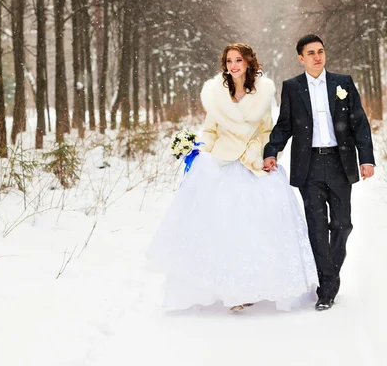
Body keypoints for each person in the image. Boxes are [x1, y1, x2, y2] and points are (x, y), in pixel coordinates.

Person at [147, 43, 318, 312]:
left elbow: (267, 131)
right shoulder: (217, 95)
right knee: (223, 229)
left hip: (252, 163)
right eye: (229, 61)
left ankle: (253, 286)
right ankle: (230, 290)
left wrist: (255, 152)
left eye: (238, 60)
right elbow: (210, 131)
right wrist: (205, 151)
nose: (233, 65)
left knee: (255, 229)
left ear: (248, 63)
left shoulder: (262, 94)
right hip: (222, 164)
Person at [263, 34, 375, 311]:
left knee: (342, 224)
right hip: (309, 166)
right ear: (301, 58)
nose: (317, 57)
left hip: (340, 163)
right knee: (316, 227)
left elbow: (358, 123)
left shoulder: (343, 83)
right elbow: (285, 125)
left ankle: (329, 275)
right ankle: (326, 289)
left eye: (320, 51)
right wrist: (271, 150)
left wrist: (367, 158)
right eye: (310, 53)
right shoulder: (292, 87)